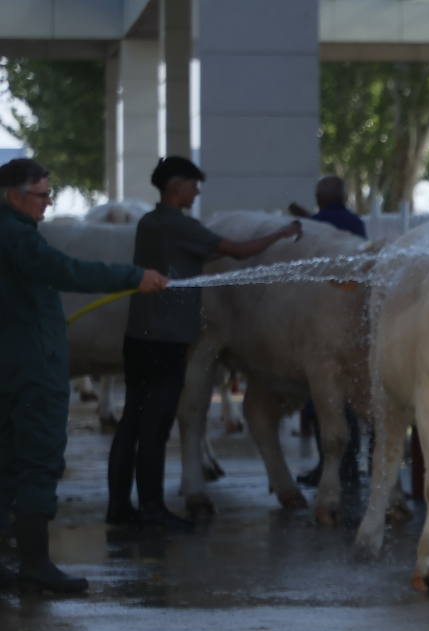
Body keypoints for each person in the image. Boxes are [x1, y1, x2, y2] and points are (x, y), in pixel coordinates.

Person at [106, 155, 301, 531]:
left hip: (139, 337)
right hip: (166, 339)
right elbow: (238, 251)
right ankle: (151, 508)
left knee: (132, 422)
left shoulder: (150, 222)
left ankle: (119, 506)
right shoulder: (178, 223)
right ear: (176, 186)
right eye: (193, 186)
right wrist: (280, 233)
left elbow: (200, 252)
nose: (196, 193)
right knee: (156, 427)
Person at [0, 157, 168, 593]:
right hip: (32, 371)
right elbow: (67, 271)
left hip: (11, 366)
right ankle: (35, 565)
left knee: (6, 464)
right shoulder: (18, 237)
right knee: (37, 462)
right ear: (13, 196)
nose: (48, 202)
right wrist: (135, 276)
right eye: (41, 194)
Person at [289, 175, 365, 488]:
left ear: (320, 200)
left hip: (321, 320)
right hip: (356, 317)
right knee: (355, 398)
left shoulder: (316, 224)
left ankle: (328, 467)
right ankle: (352, 466)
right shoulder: (356, 222)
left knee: (326, 402)